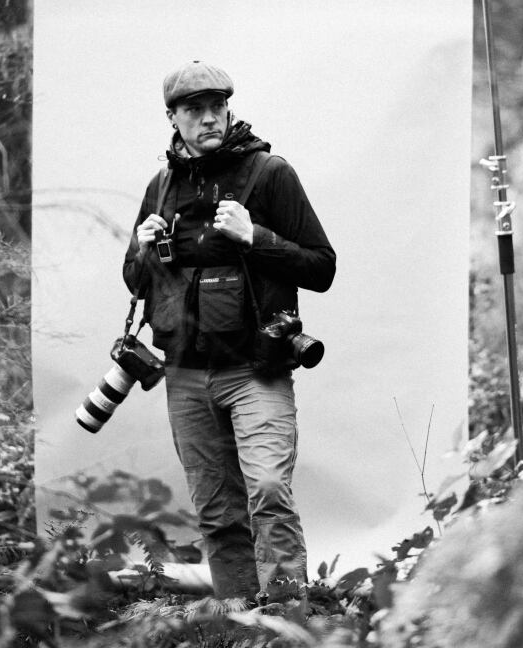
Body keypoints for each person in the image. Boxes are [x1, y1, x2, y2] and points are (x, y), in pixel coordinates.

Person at [122, 61, 336, 607]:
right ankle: (239, 616)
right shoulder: (161, 187)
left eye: (217, 106)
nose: (209, 117)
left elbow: (321, 267)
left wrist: (255, 235)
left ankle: (288, 613)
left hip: (255, 370)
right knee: (216, 508)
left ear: (229, 109)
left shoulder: (270, 174)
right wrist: (140, 249)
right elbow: (136, 282)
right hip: (186, 376)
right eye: (194, 109)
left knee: (267, 490)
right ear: (172, 117)